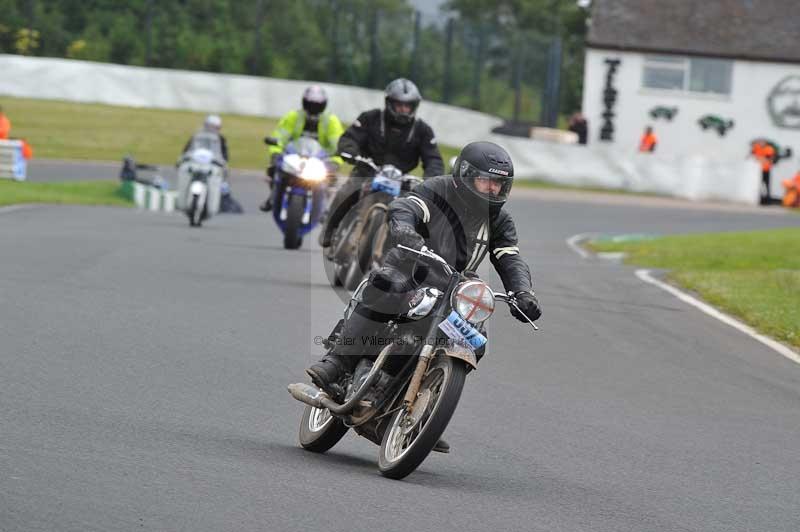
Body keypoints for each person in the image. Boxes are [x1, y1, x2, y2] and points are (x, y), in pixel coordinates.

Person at [306, 141, 542, 453]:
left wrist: (522, 291)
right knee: (386, 287)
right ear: (465, 175)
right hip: (411, 265)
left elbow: (509, 257)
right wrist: (406, 230)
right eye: (486, 181)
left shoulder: (499, 220)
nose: (492, 189)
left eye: (499, 184)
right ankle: (338, 361)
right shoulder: (437, 190)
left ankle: (427, 411)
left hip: (456, 284)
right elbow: (407, 207)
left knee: (475, 339)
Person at [319, 77, 444, 248]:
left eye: (408, 106)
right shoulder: (370, 118)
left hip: (401, 180)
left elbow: (433, 159)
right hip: (367, 171)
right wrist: (350, 152)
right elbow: (350, 138)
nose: (403, 109)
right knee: (347, 192)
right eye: (399, 105)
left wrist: (431, 178)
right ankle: (330, 228)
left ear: (414, 106)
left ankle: (392, 250)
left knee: (408, 212)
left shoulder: (423, 130)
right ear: (389, 103)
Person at [260, 85, 344, 211]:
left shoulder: (331, 121)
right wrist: (275, 153)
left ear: (324, 105)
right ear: (304, 102)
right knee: (274, 168)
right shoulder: (293, 116)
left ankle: (327, 207)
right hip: (293, 157)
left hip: (321, 160)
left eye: (317, 105)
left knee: (332, 178)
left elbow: (339, 143)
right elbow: (279, 136)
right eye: (310, 104)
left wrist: (336, 161)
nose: (313, 108)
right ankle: (273, 196)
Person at [751, 140, 776, 205]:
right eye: (760, 142)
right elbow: (752, 155)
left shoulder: (769, 149)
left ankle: (767, 200)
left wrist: (760, 159)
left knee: (766, 185)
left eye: (763, 142)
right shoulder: (757, 148)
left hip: (766, 170)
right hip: (757, 171)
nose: (761, 143)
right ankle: (759, 199)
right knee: (758, 185)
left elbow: (768, 159)